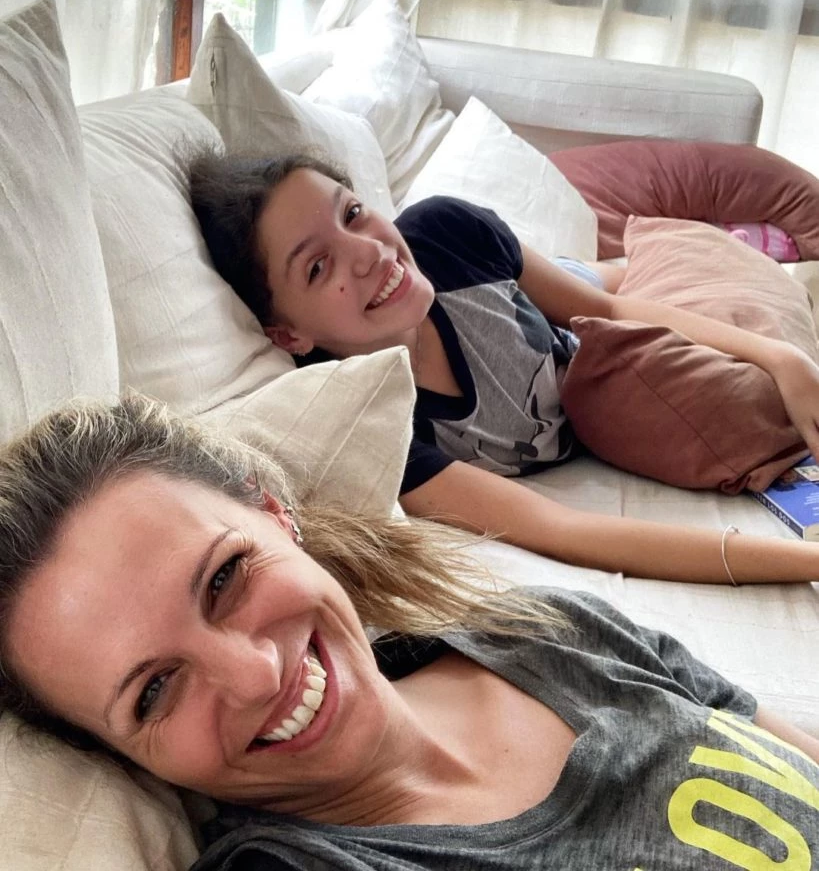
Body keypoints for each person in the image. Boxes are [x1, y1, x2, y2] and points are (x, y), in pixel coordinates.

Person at [1, 395, 818, 870]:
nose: (254, 677)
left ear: (275, 516)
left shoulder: (547, 627)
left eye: (224, 579)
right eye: (153, 692)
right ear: (119, 755)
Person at [189, 152, 819, 586]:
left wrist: (781, 358)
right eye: (317, 267)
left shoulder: (445, 233)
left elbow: (608, 311)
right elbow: (563, 529)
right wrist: (804, 562)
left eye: (351, 213)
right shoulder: (380, 430)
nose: (368, 252)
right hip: (549, 341)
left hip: (558, 314)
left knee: (642, 273)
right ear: (288, 335)